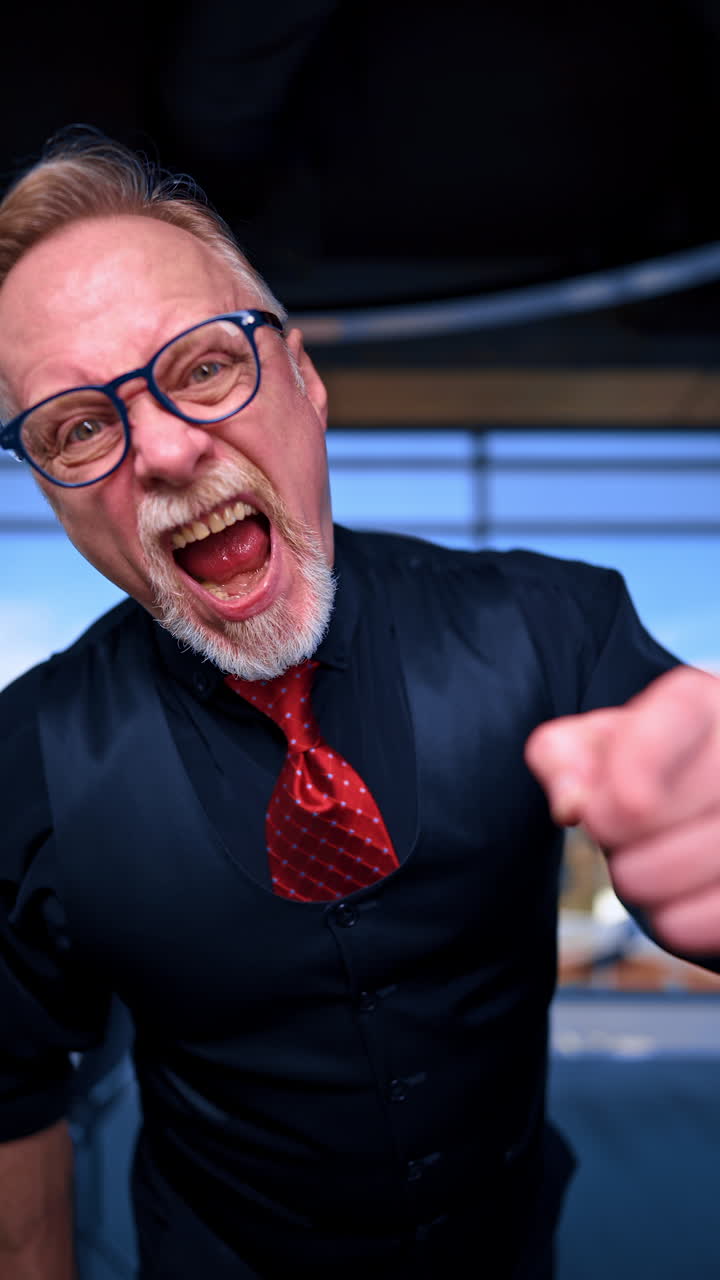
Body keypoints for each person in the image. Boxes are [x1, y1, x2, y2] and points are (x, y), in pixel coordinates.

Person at [0, 132, 719, 1280]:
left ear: (307, 379)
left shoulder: (556, 622)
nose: (171, 450)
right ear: (52, 493)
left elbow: (696, 773)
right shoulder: (26, 759)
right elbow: (12, 1099)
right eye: (80, 427)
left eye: (202, 365)